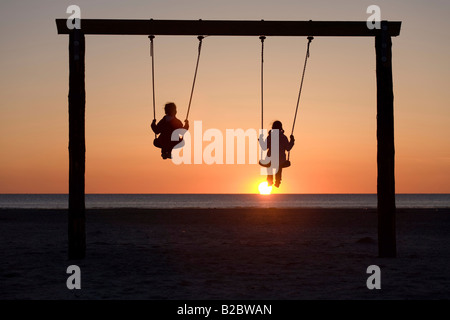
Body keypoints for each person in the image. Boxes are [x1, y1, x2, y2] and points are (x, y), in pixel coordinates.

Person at [259, 120, 295, 188]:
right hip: (281, 160)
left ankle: (270, 181)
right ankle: (278, 181)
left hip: (270, 160)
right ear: (281, 128)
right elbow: (288, 148)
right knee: (279, 167)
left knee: (269, 166)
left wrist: (261, 139)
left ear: (272, 128)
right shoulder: (283, 137)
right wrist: (292, 140)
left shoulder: (270, 136)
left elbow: (264, 147)